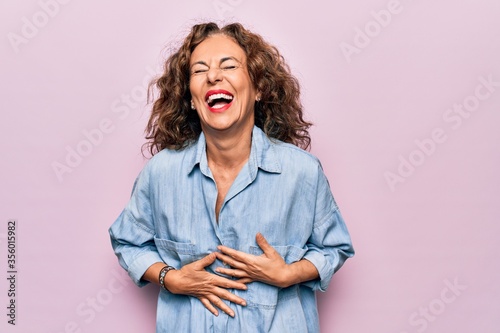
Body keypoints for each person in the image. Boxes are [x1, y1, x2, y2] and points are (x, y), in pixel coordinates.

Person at [109, 22, 354, 333]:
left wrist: (289, 274)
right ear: (191, 99)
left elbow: (335, 248)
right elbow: (127, 241)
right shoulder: (160, 174)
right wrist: (170, 277)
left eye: (229, 65)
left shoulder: (302, 172)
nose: (213, 75)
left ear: (258, 89)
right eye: (199, 70)